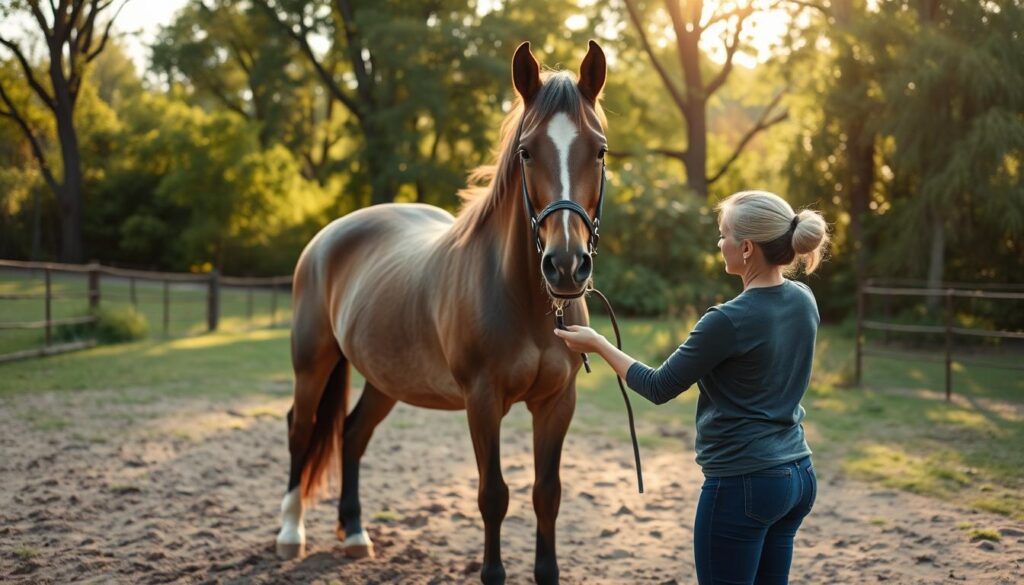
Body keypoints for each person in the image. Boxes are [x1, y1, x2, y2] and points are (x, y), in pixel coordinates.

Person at [554, 190, 831, 585]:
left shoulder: (727, 320)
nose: (719, 244)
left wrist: (599, 344)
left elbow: (658, 386)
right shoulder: (804, 299)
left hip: (744, 483)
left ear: (747, 248)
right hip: (798, 476)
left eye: (723, 235)